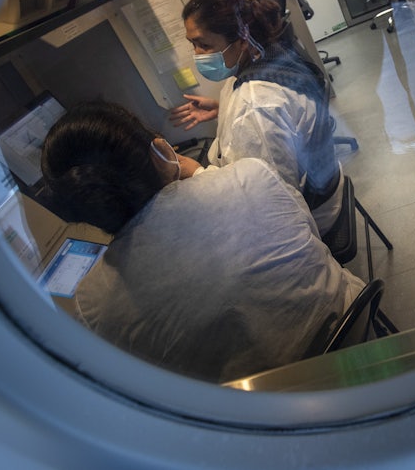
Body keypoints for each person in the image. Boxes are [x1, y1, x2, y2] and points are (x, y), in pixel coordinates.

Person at [40, 100, 365, 384]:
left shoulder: (92, 305)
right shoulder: (253, 174)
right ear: (162, 151)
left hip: (274, 411)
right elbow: (312, 240)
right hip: (359, 339)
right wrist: (200, 175)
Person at [169, 0, 343, 235]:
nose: (197, 55)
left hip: (308, 216)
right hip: (327, 184)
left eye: (203, 45)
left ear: (241, 40)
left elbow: (267, 202)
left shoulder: (255, 105)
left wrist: (195, 173)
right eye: (192, 45)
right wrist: (223, 109)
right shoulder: (270, 54)